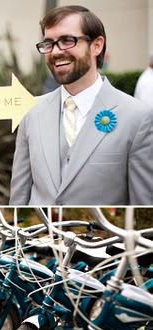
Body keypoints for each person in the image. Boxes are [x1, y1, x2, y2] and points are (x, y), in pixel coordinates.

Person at [10, 5, 153, 205]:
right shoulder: (31, 111)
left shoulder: (138, 117)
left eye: (67, 41)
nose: (56, 52)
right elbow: (19, 200)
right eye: (49, 43)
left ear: (97, 45)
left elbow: (144, 208)